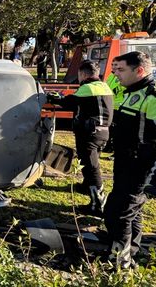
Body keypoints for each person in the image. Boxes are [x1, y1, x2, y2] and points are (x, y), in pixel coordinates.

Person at [103, 51, 156, 269]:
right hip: (125, 163)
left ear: (139, 70)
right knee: (131, 212)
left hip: (142, 167)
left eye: (120, 70)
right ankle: (131, 249)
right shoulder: (130, 91)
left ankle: (120, 262)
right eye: (114, 70)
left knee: (118, 212)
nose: (115, 75)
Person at [48, 61, 113, 216]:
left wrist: (54, 98)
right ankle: (86, 186)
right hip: (102, 132)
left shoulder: (87, 88)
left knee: (92, 168)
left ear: (83, 74)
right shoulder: (103, 86)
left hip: (90, 133)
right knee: (90, 162)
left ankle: (98, 203)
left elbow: (69, 103)